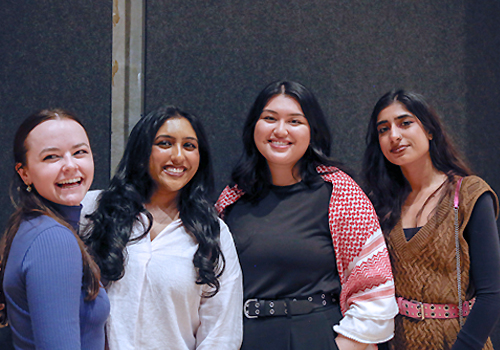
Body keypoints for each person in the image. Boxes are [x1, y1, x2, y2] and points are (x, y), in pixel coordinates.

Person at [215, 81, 398, 350]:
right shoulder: (231, 199)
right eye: (269, 118)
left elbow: (373, 287)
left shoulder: (341, 192)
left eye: (295, 121)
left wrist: (344, 345)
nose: (280, 130)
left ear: (312, 130)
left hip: (316, 336)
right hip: (246, 339)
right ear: (254, 126)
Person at [83, 106, 243, 349]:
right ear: (142, 150)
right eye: (165, 143)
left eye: (189, 146)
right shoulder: (95, 209)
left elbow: (221, 334)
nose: (178, 156)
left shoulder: (213, 233)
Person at [362, 89, 500, 350]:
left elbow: (491, 296)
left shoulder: (469, 194)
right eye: (383, 129)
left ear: (429, 130)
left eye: (405, 123)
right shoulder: (380, 203)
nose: (394, 135)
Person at [0, 109, 110, 349]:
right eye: (51, 157)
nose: (70, 165)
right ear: (24, 172)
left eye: (80, 152)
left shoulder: (33, 225)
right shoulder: (52, 239)